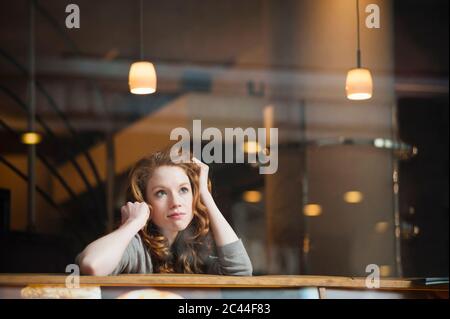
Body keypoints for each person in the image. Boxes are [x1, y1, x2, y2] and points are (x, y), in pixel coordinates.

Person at [76, 148, 253, 276]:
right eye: (161, 193)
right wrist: (133, 223)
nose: (175, 202)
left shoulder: (194, 249)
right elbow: (92, 266)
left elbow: (240, 271)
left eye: (183, 190)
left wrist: (205, 195)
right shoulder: (136, 247)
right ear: (145, 202)